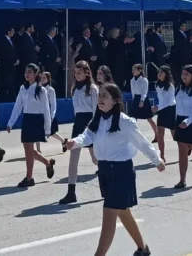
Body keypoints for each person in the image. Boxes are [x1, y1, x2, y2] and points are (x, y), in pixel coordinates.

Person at [66, 83, 164, 256]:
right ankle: (143, 248)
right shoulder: (97, 119)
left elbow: (142, 142)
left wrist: (157, 160)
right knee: (123, 212)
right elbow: (87, 136)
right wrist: (74, 142)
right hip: (104, 171)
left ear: (115, 100)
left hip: (121, 172)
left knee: (110, 214)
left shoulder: (124, 121)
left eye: (104, 96)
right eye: (99, 96)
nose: (100, 99)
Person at [6, 64, 55, 188]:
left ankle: (29, 177)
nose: (27, 74)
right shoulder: (23, 88)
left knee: (28, 149)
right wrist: (10, 122)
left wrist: (48, 128)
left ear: (35, 74)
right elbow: (18, 106)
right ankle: (47, 163)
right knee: (28, 149)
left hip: (36, 120)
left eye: (30, 72)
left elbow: (46, 110)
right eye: (26, 72)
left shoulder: (41, 90)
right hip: (26, 119)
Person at [60, 61, 99, 205]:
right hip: (78, 123)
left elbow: (96, 110)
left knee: (95, 159)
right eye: (75, 72)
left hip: (90, 123)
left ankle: (110, 179)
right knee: (73, 158)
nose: (76, 75)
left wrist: (93, 126)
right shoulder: (74, 88)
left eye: (79, 72)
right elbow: (76, 109)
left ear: (87, 72)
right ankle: (71, 192)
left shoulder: (93, 89)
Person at [150, 66, 177, 164]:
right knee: (160, 134)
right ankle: (162, 156)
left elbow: (169, 102)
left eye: (162, 72)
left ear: (166, 74)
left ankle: (186, 147)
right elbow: (161, 100)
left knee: (174, 135)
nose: (159, 74)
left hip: (170, 109)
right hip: (161, 110)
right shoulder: (157, 85)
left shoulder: (170, 86)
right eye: (159, 72)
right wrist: (157, 107)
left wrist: (157, 107)